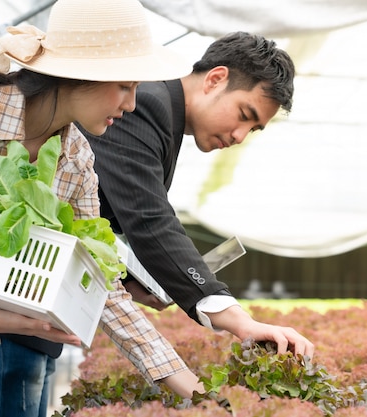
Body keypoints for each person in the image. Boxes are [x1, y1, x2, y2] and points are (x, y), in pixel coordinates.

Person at [0, 0, 195, 415]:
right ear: (78, 76)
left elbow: (99, 280)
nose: (132, 104)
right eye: (124, 85)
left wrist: (188, 386)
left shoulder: (76, 158)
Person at [79, 31, 315, 356]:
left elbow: (104, 206)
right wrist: (238, 321)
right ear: (215, 79)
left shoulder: (164, 114)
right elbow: (148, 219)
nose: (240, 136)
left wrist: (132, 279)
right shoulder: (146, 103)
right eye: (244, 115)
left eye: (253, 129)